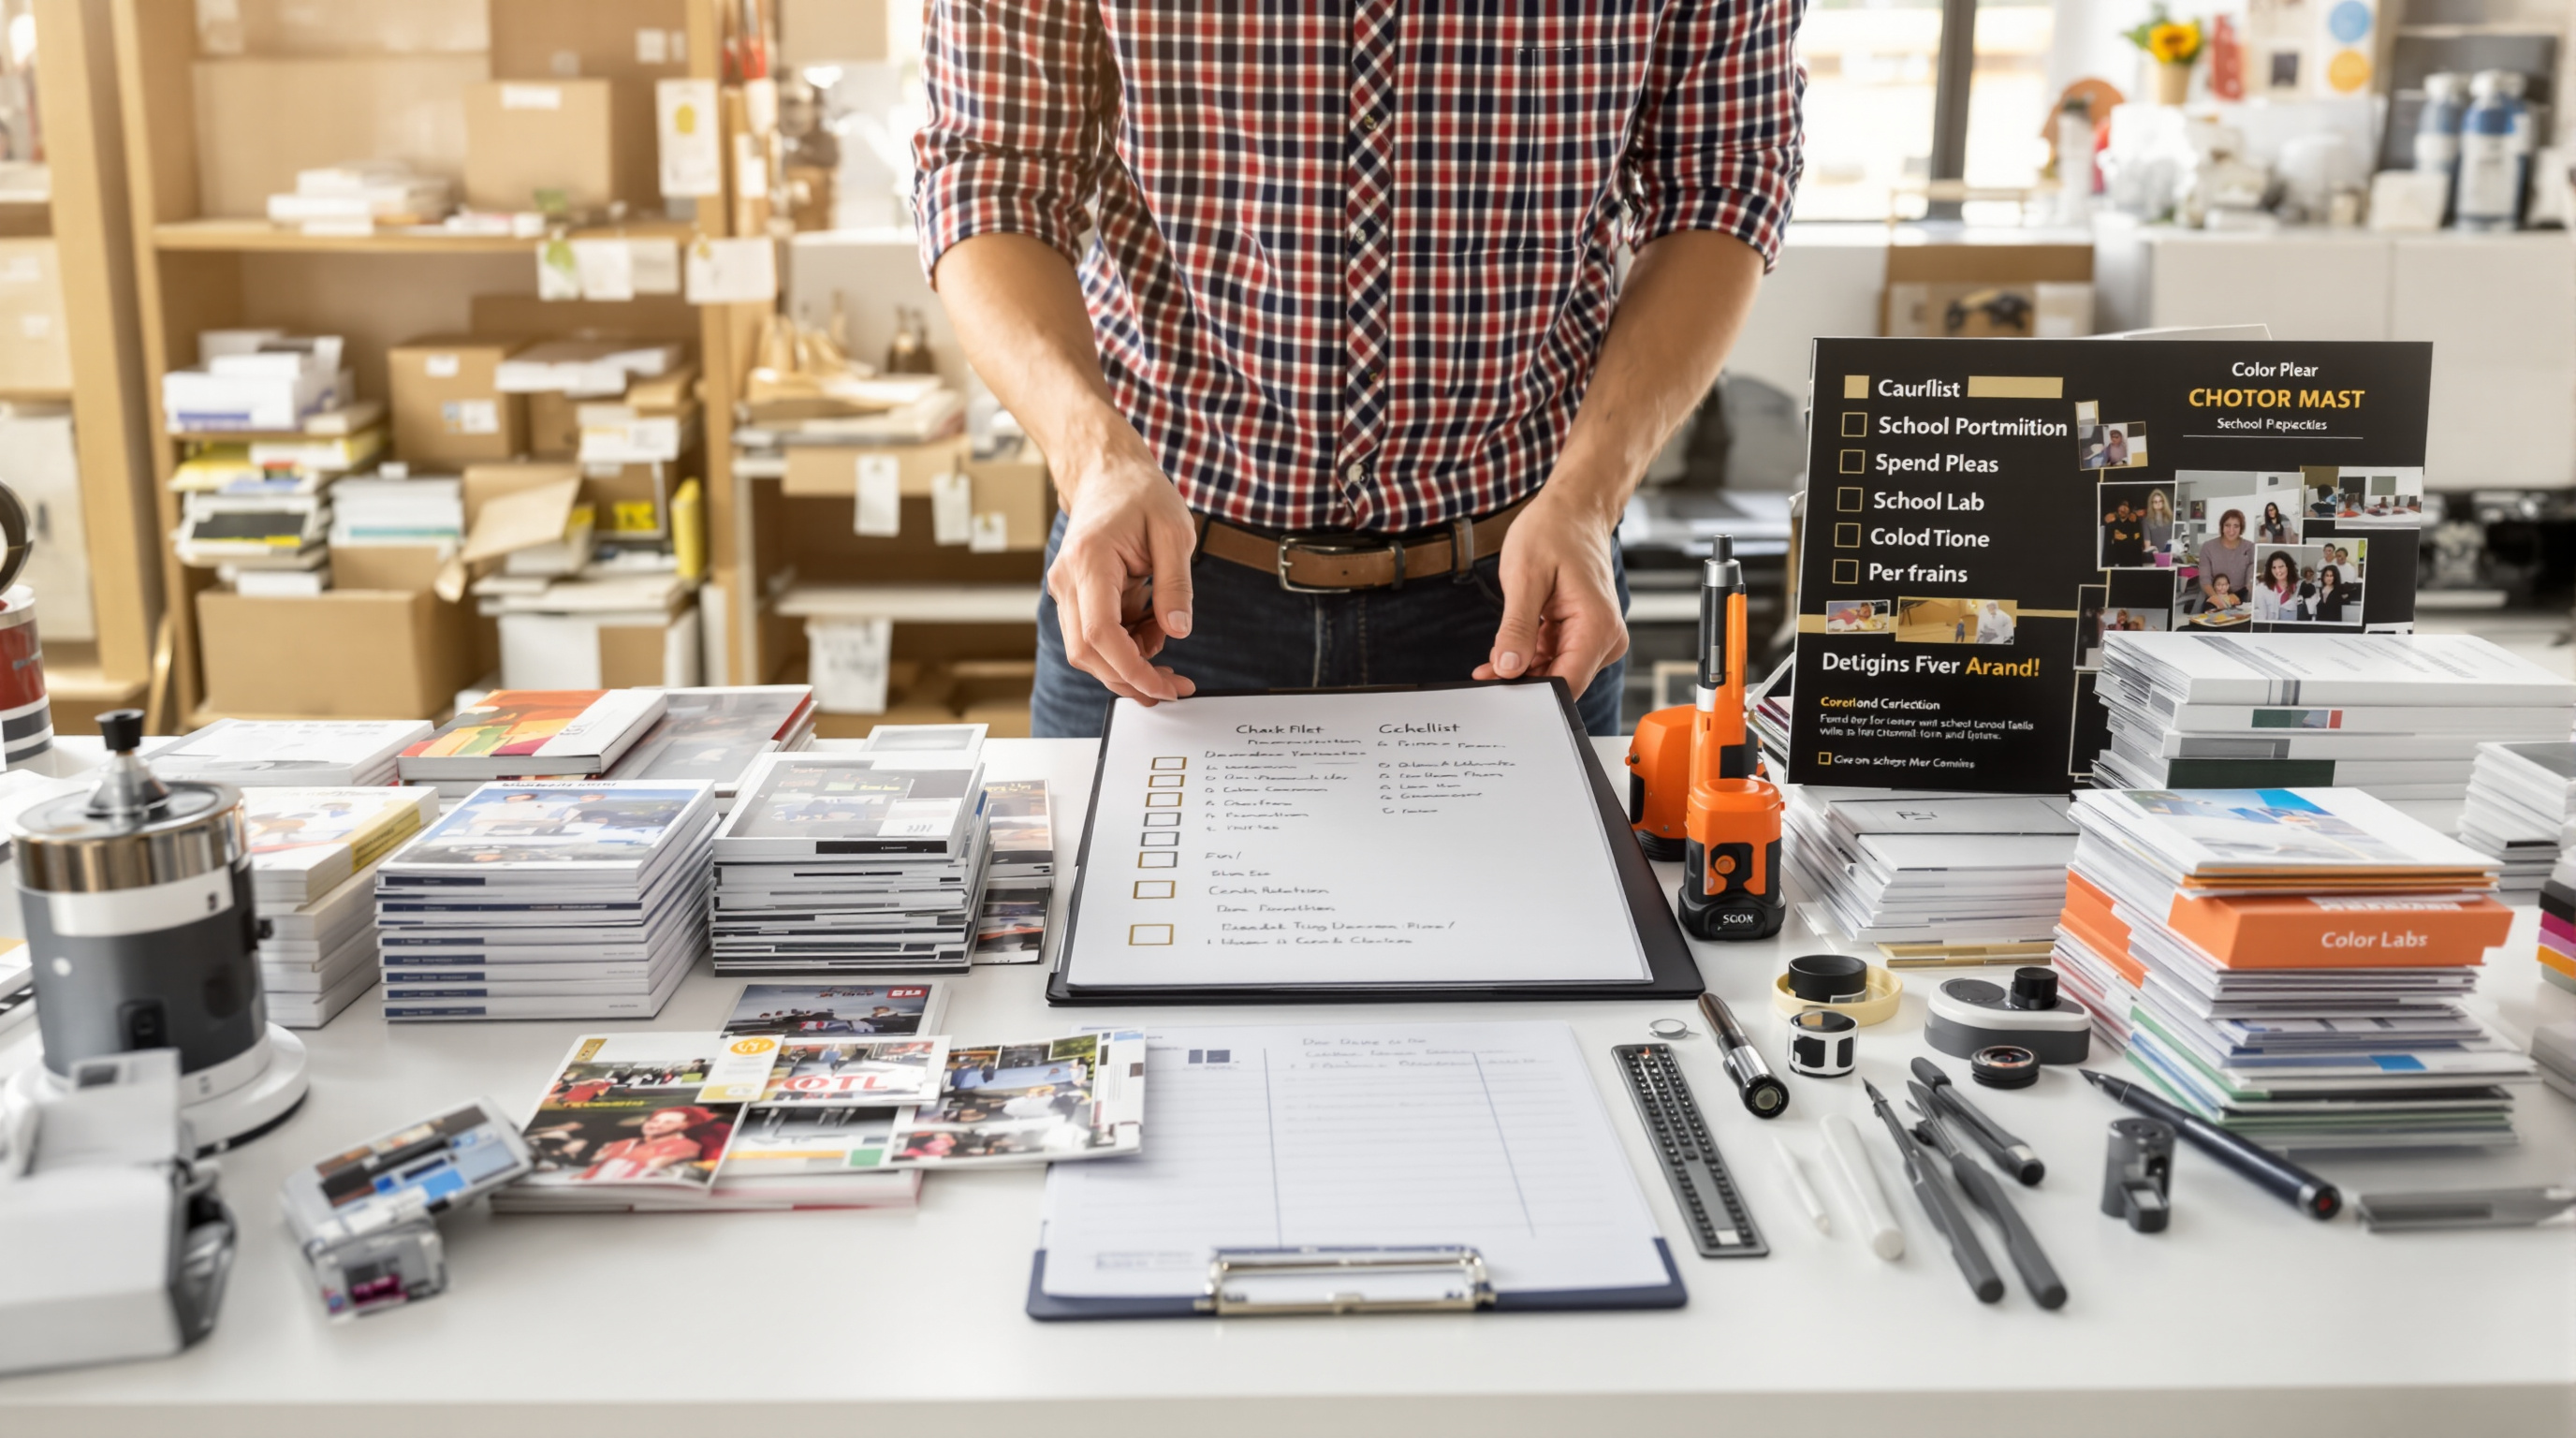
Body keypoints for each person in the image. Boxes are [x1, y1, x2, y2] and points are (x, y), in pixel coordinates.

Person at [913, 0, 1806, 738]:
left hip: (1519, 595)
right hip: (1155, 588)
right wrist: (1092, 458)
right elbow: (988, 180)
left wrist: (1592, 494)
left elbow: (1722, 183)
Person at [2198, 509, 2253, 609]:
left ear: (2241, 528)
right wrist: (2217, 599)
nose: (2231, 530)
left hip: (2241, 598)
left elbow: (2252, 580)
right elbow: (2205, 579)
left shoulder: (2250, 547)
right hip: (2214, 597)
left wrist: (2239, 597)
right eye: (2227, 525)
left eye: (2236, 526)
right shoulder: (2208, 547)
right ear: (2222, 527)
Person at [2251, 550, 2309, 622]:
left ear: (2289, 567)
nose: (2278, 571)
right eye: (2274, 568)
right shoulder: (2262, 588)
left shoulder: (2300, 585)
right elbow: (2262, 616)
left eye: (2281, 567)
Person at [2101, 499, 2144, 566]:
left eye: (2126, 507)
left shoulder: (2135, 523)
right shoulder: (2111, 525)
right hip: (2117, 562)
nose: (2123, 509)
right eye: (2121, 506)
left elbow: (2139, 543)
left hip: (2134, 562)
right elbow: (2107, 547)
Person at [2143, 488, 2174, 556]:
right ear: (2151, 503)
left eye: (2160, 501)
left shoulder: (2172, 518)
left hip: (2172, 553)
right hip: (2156, 555)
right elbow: (2147, 545)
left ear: (2164, 502)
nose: (2158, 504)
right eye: (2155, 502)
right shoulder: (2147, 521)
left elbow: (2177, 539)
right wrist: (2153, 551)